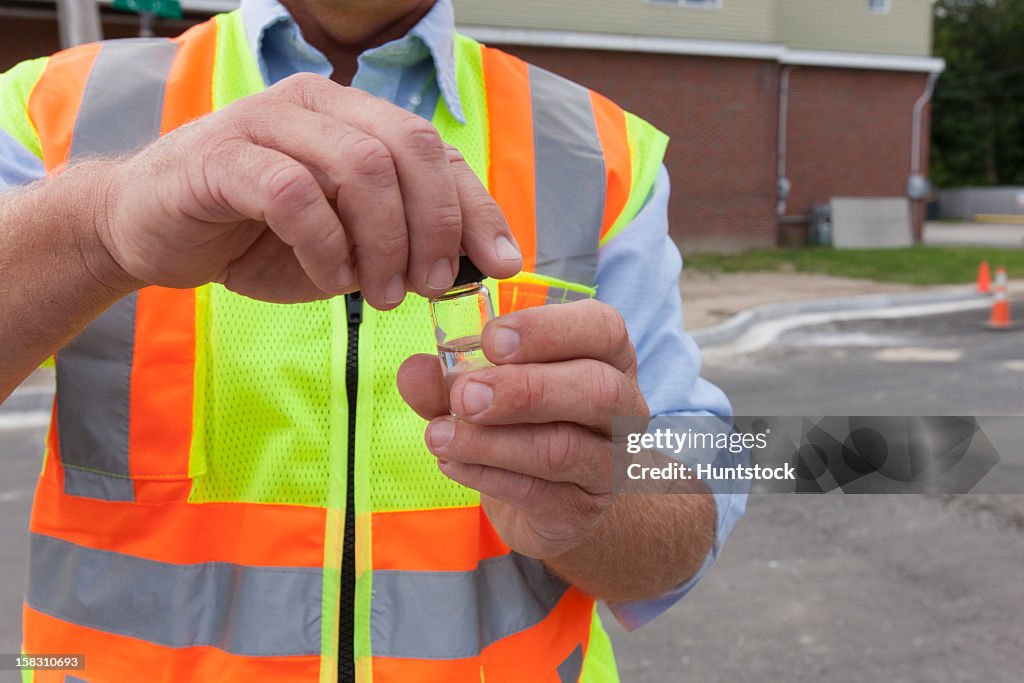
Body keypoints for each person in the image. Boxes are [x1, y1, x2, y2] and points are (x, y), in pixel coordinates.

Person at [0, 0, 745, 680]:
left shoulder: (599, 148)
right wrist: (94, 230)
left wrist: (596, 499)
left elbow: (710, 477)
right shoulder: (52, 108)